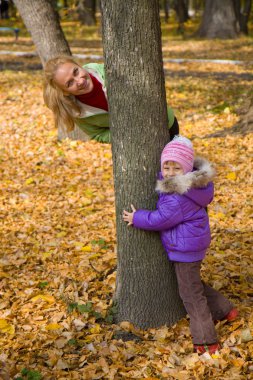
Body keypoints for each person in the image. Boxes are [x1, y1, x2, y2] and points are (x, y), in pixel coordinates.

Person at [123, 135, 238, 354]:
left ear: (186, 170)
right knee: (192, 284)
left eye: (176, 168)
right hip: (192, 245)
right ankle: (226, 310)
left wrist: (136, 217)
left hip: (185, 248)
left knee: (191, 295)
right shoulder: (192, 187)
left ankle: (206, 341)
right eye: (166, 167)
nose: (170, 172)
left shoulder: (177, 195)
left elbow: (161, 218)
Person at [43, 56, 179, 143]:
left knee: (176, 170)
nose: (79, 81)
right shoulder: (77, 112)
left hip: (165, 124)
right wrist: (122, 134)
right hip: (137, 144)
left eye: (76, 71)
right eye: (69, 83)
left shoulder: (108, 72)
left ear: (79, 65)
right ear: (65, 92)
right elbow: (97, 134)